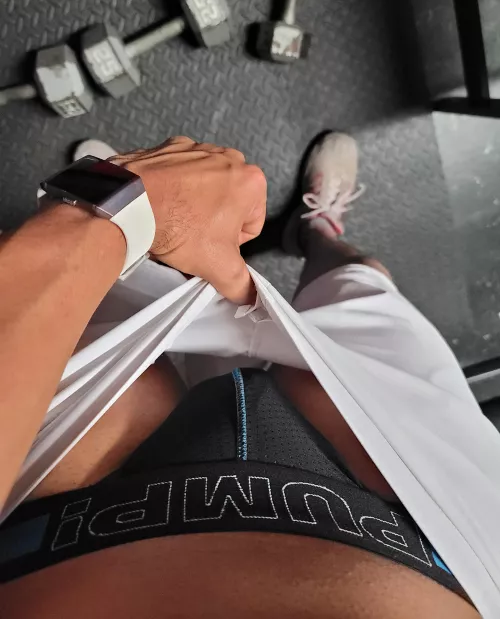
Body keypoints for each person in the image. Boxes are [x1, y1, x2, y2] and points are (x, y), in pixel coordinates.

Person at [0, 133, 480, 618]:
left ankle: (147, 250)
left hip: (54, 520)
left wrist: (107, 209)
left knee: (98, 310)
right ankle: (316, 230)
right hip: (421, 536)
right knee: (362, 284)